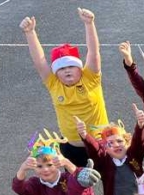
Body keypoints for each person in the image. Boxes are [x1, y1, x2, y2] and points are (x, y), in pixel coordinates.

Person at [20, 8, 108, 166]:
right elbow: (40, 61)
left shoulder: (91, 78)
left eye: (71, 66)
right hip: (71, 148)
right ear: (56, 73)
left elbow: (93, 52)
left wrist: (89, 24)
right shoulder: (54, 84)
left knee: (107, 180)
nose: (67, 70)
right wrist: (30, 33)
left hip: (100, 144)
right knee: (74, 182)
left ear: (80, 68)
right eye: (61, 68)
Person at [76, 104, 144, 195]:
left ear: (127, 142)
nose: (116, 145)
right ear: (105, 148)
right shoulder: (105, 163)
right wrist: (84, 134)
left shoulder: (134, 156)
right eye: (110, 143)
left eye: (120, 141)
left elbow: (138, 142)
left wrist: (140, 125)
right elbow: (95, 150)